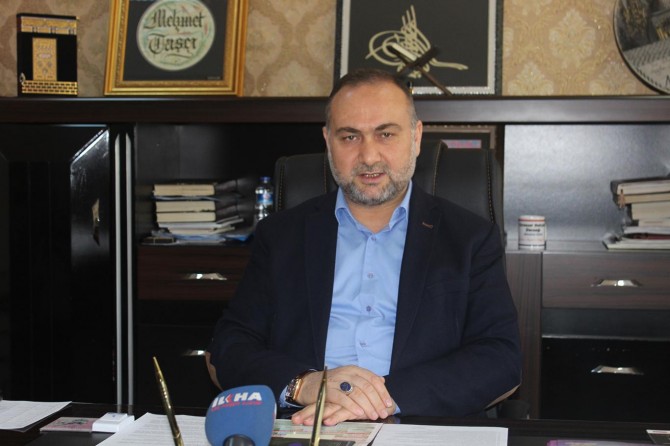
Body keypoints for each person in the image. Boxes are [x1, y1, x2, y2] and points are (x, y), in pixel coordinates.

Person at [206, 68, 521, 426]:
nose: (369, 156)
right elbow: (228, 347)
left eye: (386, 134)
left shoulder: (469, 238)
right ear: (328, 142)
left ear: (416, 137)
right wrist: (304, 385)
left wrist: (383, 399)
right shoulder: (280, 236)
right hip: (304, 425)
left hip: (416, 425)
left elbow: (501, 358)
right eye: (350, 136)